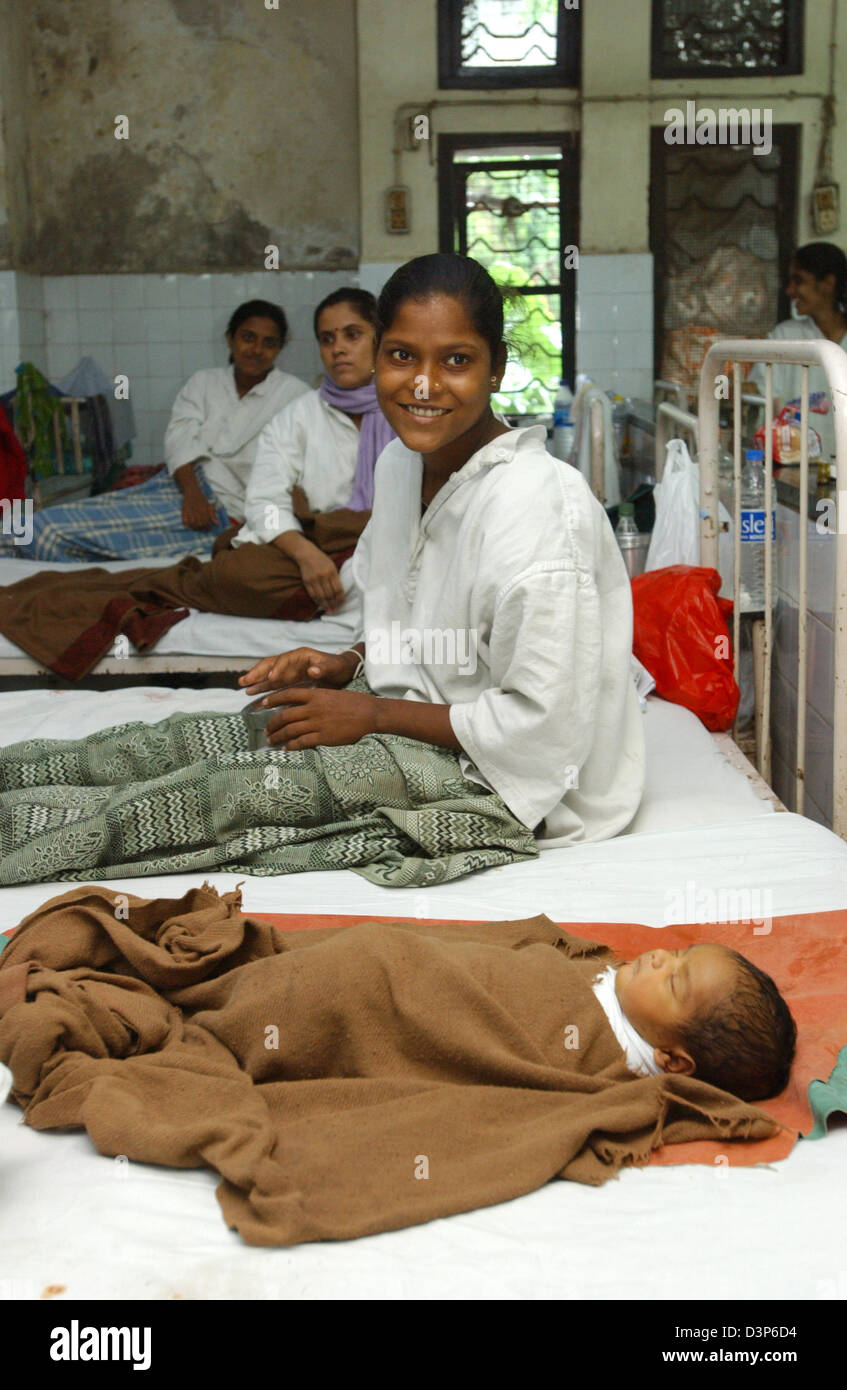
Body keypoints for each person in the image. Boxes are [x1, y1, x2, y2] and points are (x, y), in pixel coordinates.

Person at [0, 253, 644, 887]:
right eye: (401, 357)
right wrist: (353, 665)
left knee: (210, 798)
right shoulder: (400, 468)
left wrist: (374, 717)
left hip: (506, 780)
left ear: (496, 369)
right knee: (171, 745)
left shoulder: (539, 507)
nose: (423, 384)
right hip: (413, 712)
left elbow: (545, 729)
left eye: (456, 360)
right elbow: (433, 626)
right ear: (377, 361)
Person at [1, 301, 307, 562]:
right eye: (248, 337)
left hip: (224, 514)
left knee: (50, 532)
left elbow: (297, 473)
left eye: (269, 343)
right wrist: (193, 496)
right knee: (29, 526)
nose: (256, 350)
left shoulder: (294, 396)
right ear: (230, 339)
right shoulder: (205, 382)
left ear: (280, 348)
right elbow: (180, 439)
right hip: (181, 489)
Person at [231, 288, 394, 614]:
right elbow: (265, 500)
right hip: (324, 546)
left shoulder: (410, 407)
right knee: (237, 574)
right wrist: (306, 555)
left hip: (397, 542)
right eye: (327, 339)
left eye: (352, 335)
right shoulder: (297, 416)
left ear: (380, 338)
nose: (339, 349)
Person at [599, 943, 796, 1101]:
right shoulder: (633, 1007)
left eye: (672, 983)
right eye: (677, 953)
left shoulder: (617, 1059)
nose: (659, 955)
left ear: (674, 1060)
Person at [747, 241, 847, 461]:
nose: (790, 291)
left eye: (799, 280)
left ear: (828, 284)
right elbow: (758, 391)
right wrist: (721, 386)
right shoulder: (785, 337)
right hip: (800, 466)